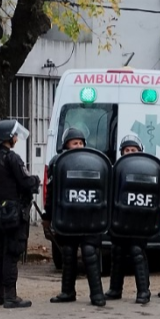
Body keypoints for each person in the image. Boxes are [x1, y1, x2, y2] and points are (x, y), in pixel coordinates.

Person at [47, 128, 106, 307]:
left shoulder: (94, 162)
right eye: (75, 143)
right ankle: (67, 292)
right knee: (68, 253)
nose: (78, 146)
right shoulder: (58, 163)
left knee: (89, 252)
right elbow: (52, 193)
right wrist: (47, 216)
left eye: (81, 143)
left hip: (90, 218)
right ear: (66, 145)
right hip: (69, 218)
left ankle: (97, 295)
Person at [0, 119, 36, 308]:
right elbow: (26, 182)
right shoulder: (12, 158)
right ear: (7, 137)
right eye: (14, 136)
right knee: (11, 253)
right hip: (14, 212)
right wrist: (35, 181)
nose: (16, 139)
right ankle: (11, 297)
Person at [105, 133, 153, 305]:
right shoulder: (116, 169)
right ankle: (115, 289)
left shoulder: (148, 170)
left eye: (134, 149)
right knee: (117, 252)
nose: (130, 152)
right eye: (127, 150)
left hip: (139, 223)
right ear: (122, 152)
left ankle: (143, 291)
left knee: (137, 252)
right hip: (120, 220)